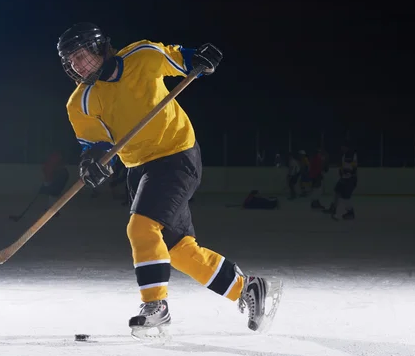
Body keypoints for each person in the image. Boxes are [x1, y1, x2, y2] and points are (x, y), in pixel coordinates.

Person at [57, 23, 282, 338]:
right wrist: (92, 162)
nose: (76, 65)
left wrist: (200, 59)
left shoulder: (141, 56)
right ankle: (248, 289)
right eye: (71, 60)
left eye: (80, 56)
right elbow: (97, 146)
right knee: (178, 250)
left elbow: (182, 60)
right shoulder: (79, 102)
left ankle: (155, 307)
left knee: (141, 227)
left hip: (176, 156)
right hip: (140, 169)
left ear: (100, 48)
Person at [325, 143, 357, 220]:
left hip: (350, 179)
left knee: (346, 196)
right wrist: (341, 171)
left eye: (343, 146)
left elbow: (353, 166)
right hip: (344, 178)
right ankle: (333, 208)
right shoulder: (344, 155)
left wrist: (348, 171)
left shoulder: (352, 154)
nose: (341, 148)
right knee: (337, 191)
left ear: (346, 147)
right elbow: (343, 166)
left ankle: (350, 212)